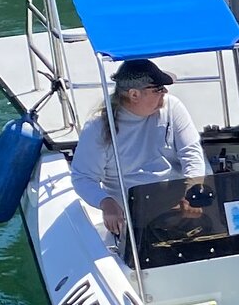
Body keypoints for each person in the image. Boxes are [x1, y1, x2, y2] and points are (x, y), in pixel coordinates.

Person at [72, 59, 205, 246]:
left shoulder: (172, 107)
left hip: (181, 207)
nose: (165, 93)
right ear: (134, 94)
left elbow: (191, 152)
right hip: (134, 219)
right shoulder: (98, 127)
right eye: (158, 89)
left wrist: (194, 188)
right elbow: (83, 177)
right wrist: (106, 203)